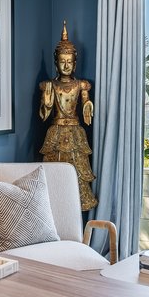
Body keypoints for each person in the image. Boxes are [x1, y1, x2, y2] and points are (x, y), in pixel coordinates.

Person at [38, 21, 97, 210]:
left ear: (75, 63)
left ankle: (73, 216)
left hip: (75, 131)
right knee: (54, 173)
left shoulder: (81, 85)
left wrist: (87, 105)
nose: (66, 65)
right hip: (55, 130)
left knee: (76, 172)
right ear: (56, 62)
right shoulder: (50, 85)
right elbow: (44, 115)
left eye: (69, 62)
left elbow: (85, 101)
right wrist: (47, 103)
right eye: (62, 61)